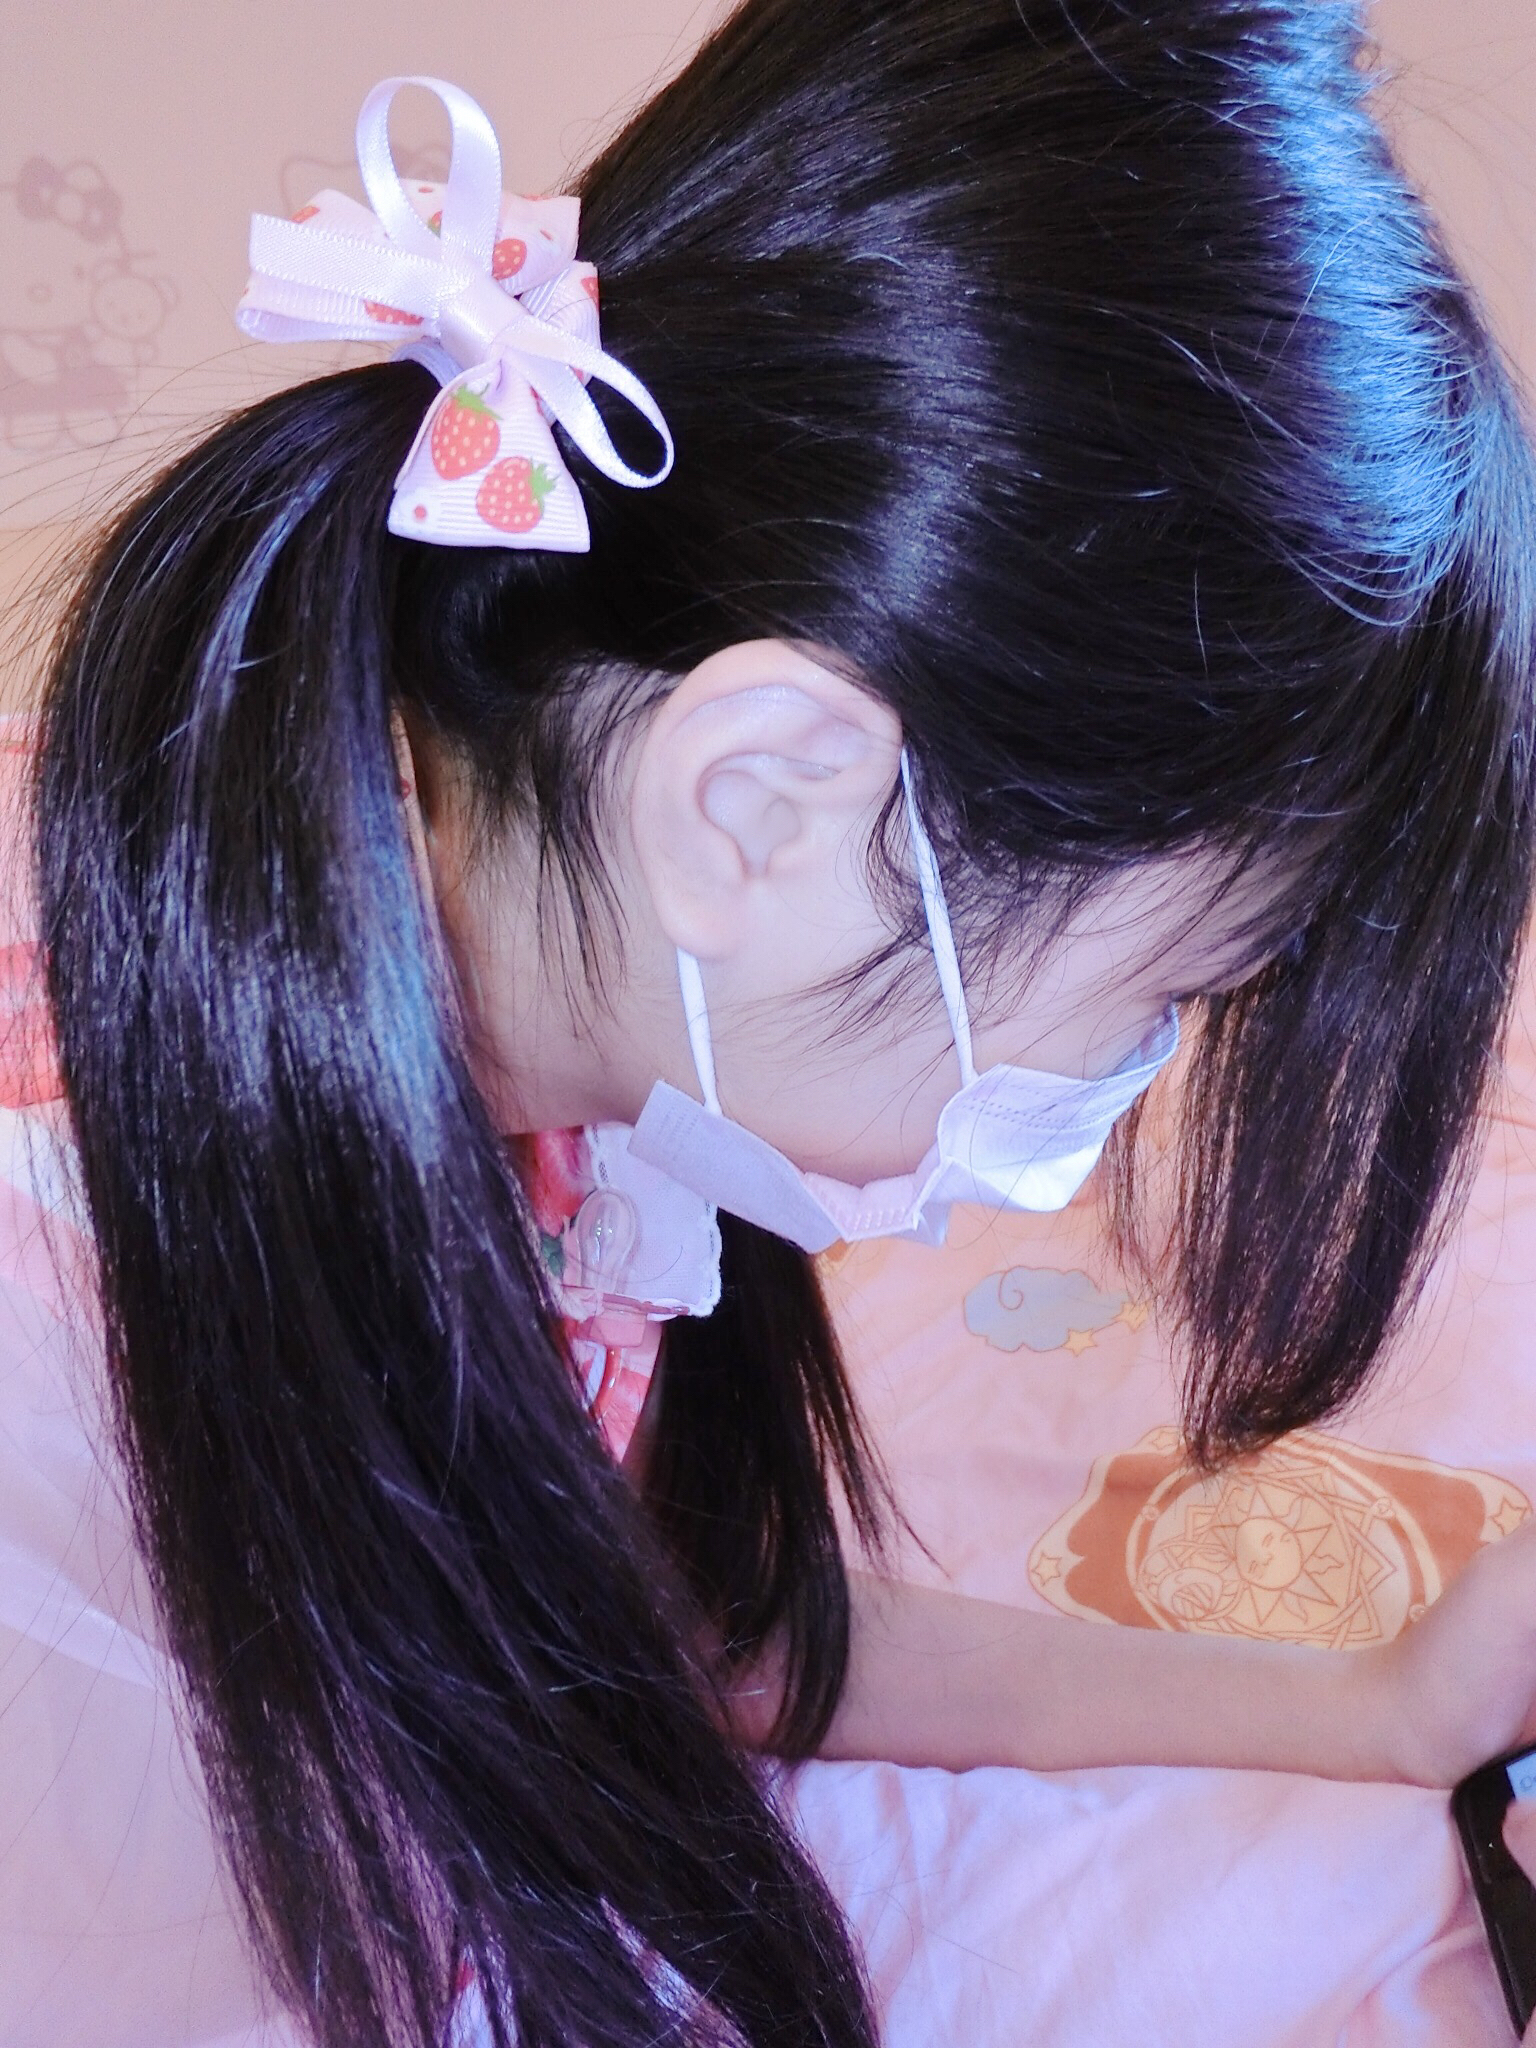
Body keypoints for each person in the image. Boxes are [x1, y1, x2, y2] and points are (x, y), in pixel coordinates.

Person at [29, 0, 1536, 2044]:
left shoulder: (515, 1000)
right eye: (1165, 990)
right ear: (762, 807)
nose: (1134, 1083)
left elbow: (662, 1623)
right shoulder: (72, 1371)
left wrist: (1379, 1708)